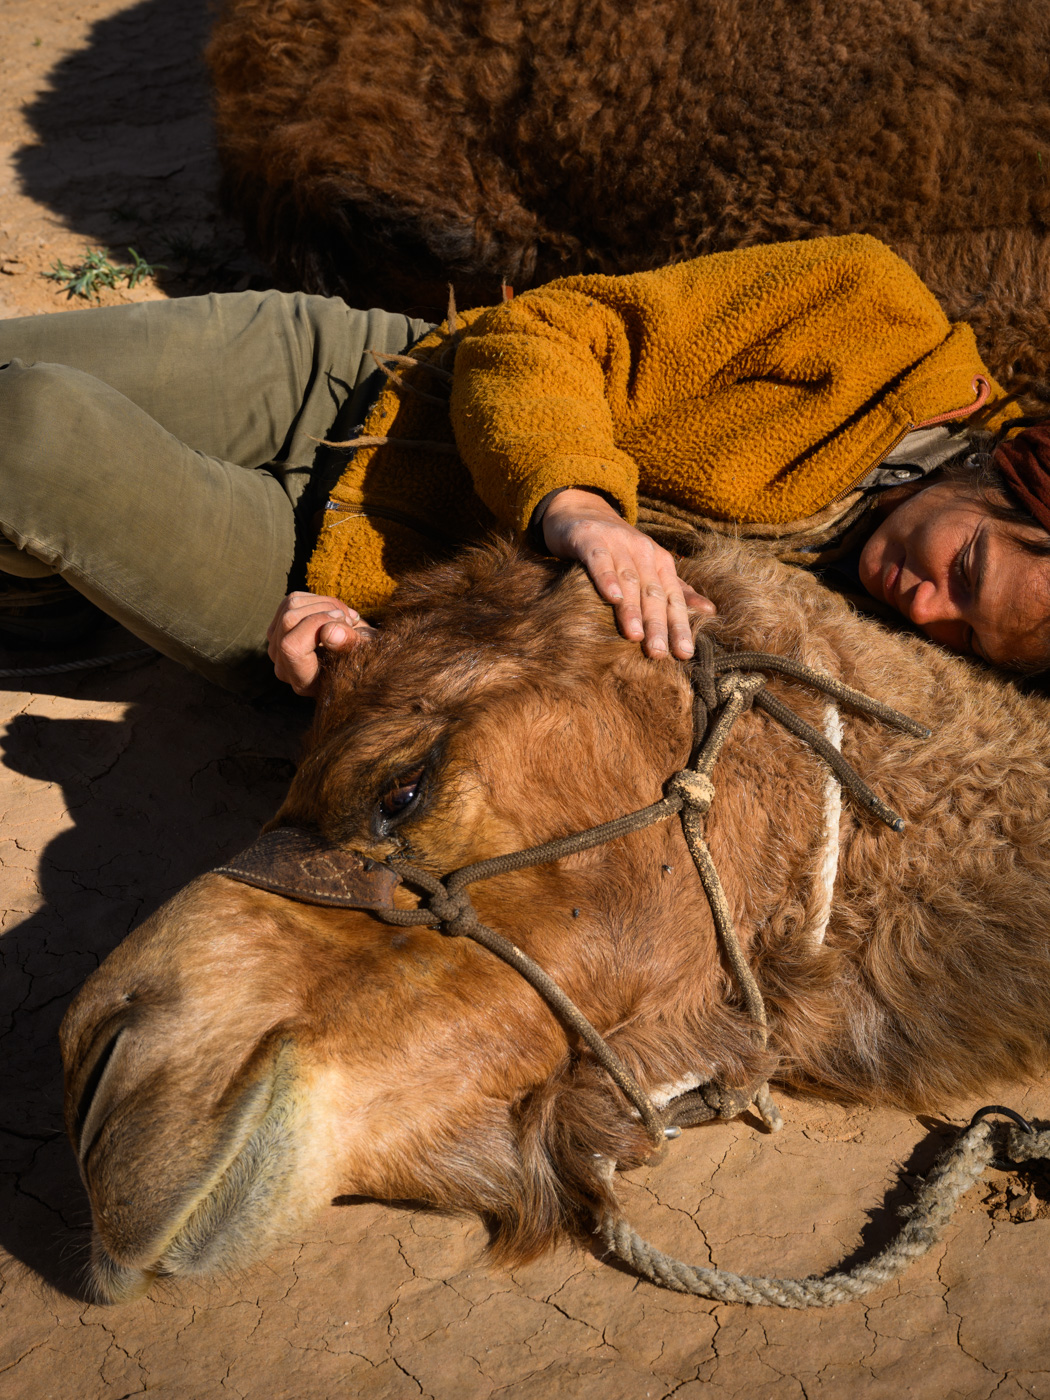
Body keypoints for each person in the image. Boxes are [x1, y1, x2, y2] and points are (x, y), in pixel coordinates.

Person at [1, 234, 1048, 699]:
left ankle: (54, 597)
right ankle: (47, 584)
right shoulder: (869, 308)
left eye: (968, 639)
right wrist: (582, 510)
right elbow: (546, 331)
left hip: (335, 578)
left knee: (30, 430)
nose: (925, 616)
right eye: (965, 572)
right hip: (360, 374)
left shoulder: (884, 658)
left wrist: (381, 663)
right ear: (1010, 473)